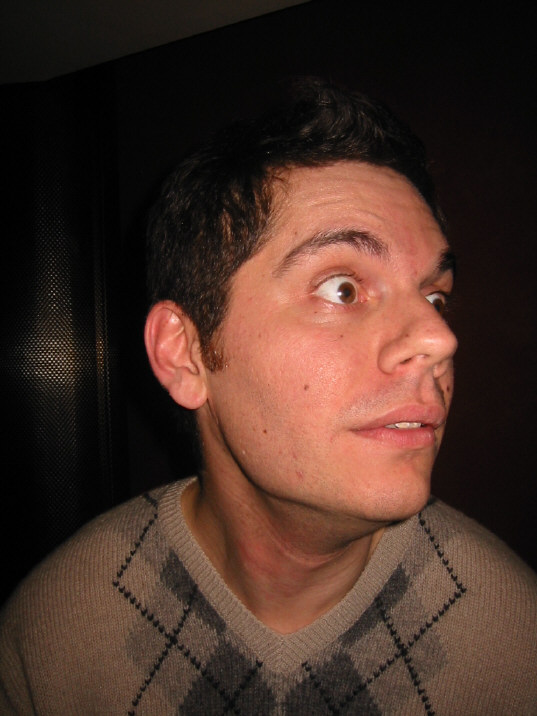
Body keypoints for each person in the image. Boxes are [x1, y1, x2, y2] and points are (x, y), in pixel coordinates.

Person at [1, 78, 536, 715]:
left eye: (435, 296)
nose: (439, 338)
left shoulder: (512, 644)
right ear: (186, 354)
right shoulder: (54, 631)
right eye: (342, 289)